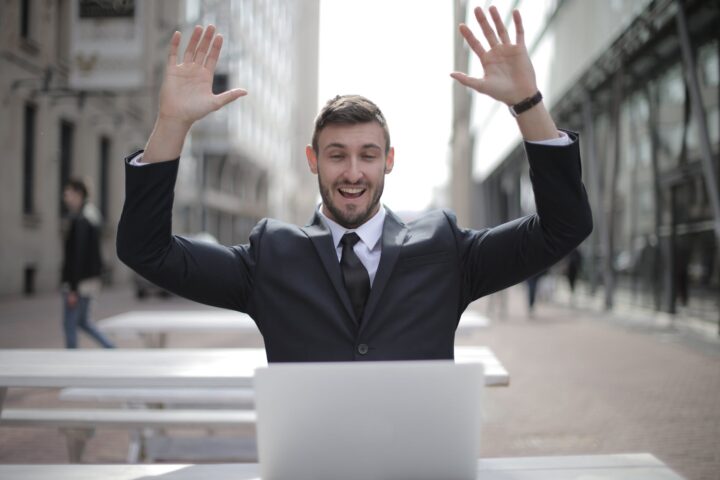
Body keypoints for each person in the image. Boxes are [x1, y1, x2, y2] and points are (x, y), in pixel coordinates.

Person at [117, 6, 592, 361]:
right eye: (336, 155)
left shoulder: (447, 250)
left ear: (388, 162)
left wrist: (528, 104)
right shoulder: (270, 258)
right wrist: (172, 124)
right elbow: (146, 250)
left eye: (367, 155)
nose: (352, 172)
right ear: (312, 161)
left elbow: (563, 227)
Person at [61, 178, 114, 349]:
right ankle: (113, 350)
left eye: (68, 193)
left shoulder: (82, 219)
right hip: (89, 280)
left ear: (79, 194)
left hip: (79, 283)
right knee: (83, 322)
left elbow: (78, 256)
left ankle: (72, 360)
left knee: (70, 324)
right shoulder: (91, 216)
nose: (65, 197)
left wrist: (73, 288)